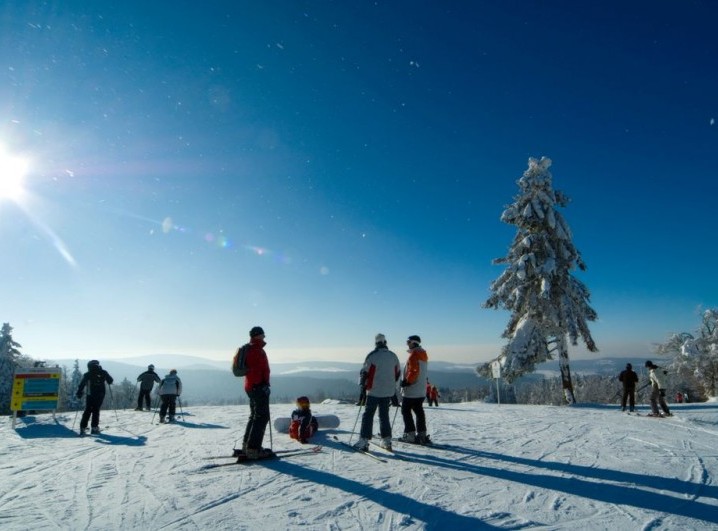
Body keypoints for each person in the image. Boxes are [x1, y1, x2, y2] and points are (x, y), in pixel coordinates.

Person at [353, 333, 401, 451]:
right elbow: (397, 374)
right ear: (385, 343)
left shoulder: (372, 356)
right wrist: (394, 391)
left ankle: (363, 441)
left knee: (368, 415)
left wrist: (362, 391)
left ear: (376, 343)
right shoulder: (393, 356)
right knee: (384, 416)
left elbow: (364, 373)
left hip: (373, 391)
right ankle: (387, 441)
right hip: (388, 392)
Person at [240, 326, 273, 459]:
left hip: (250, 386)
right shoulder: (256, 350)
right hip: (257, 386)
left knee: (254, 416)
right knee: (261, 417)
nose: (264, 337)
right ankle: (253, 449)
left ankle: (247, 446)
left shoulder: (250, 348)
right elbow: (257, 369)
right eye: (262, 335)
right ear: (257, 336)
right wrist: (263, 384)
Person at [399, 335, 430, 444]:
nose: (407, 344)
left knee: (405, 411)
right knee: (419, 411)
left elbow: (414, 371)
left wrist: (407, 382)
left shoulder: (414, 355)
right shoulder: (423, 355)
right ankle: (422, 435)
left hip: (412, 390)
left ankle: (410, 435)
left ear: (413, 342)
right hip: (421, 390)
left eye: (408, 342)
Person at [76, 360, 114, 436]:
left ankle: (83, 428)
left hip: (90, 394)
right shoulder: (103, 372)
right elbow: (110, 381)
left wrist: (79, 392)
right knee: (96, 410)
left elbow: (82, 384)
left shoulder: (87, 374)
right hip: (100, 394)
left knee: (88, 410)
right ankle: (94, 427)